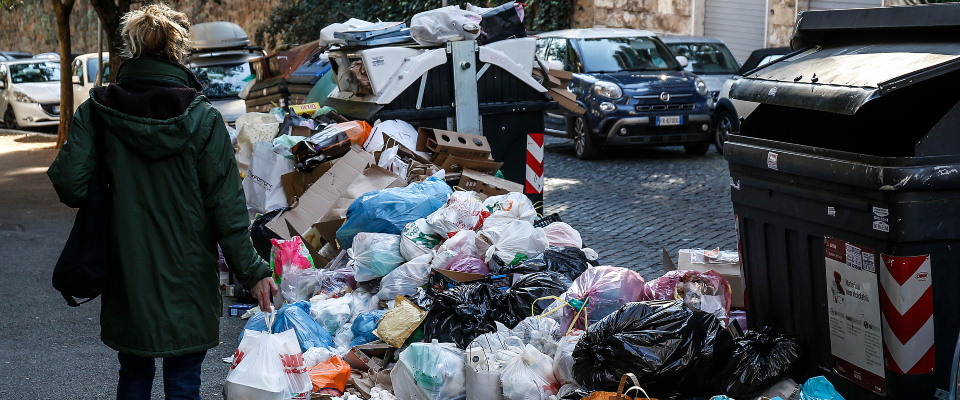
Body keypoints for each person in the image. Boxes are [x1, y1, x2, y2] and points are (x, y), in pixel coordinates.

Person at [47, 4, 275, 399]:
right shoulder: (204, 119)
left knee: (133, 374)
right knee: (184, 380)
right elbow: (228, 213)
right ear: (178, 51)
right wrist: (254, 272)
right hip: (187, 281)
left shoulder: (97, 112)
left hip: (126, 272)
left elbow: (70, 184)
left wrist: (113, 189)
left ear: (131, 50)